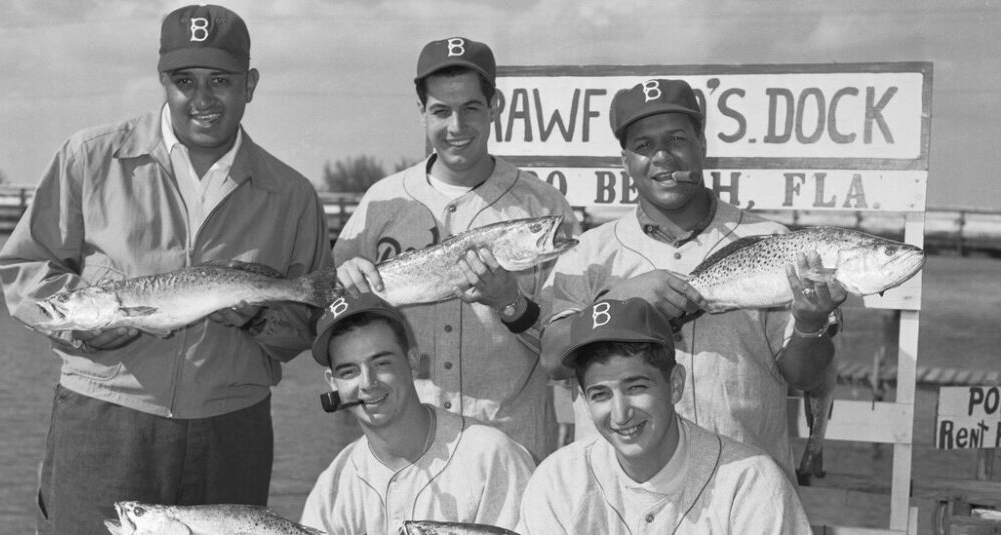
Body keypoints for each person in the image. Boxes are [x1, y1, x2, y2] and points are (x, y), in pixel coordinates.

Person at [0, 5, 329, 533]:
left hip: (231, 429)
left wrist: (259, 321)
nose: (202, 98)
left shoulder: (291, 195)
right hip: (103, 420)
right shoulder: (89, 157)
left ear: (251, 84)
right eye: (184, 80)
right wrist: (87, 332)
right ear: (162, 81)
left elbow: (307, 327)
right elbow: (25, 267)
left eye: (221, 80)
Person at [541, 78, 846, 481]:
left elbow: (805, 376)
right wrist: (617, 302)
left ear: (702, 145)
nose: (662, 156)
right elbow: (552, 360)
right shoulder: (589, 253)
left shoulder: (772, 241)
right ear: (625, 161)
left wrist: (810, 326)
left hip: (742, 485)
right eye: (644, 145)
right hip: (620, 495)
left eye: (677, 139)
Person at [333, 36, 579, 461]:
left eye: (470, 108)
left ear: (494, 106)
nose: (456, 127)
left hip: (510, 442)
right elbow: (331, 327)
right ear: (421, 112)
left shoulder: (544, 207)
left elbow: (568, 350)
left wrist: (512, 304)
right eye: (440, 111)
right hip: (402, 444)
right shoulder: (379, 202)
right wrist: (345, 292)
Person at [519, 297, 811, 534]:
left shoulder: (748, 483)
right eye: (601, 394)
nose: (620, 414)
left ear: (674, 385)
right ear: (584, 399)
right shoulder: (560, 480)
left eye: (636, 387)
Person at [300, 293, 534, 534]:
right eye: (349, 371)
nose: (368, 382)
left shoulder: (490, 457)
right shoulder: (334, 485)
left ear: (412, 361)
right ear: (332, 382)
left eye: (382, 363)